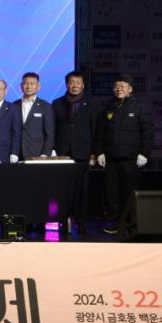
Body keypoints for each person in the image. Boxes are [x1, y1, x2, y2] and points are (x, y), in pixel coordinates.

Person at [94, 74, 155, 235]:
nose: (119, 89)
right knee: (111, 194)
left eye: (122, 86)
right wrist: (99, 152)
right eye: (116, 86)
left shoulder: (139, 107)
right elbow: (100, 133)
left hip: (131, 159)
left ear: (130, 89)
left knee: (129, 193)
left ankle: (131, 224)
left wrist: (144, 153)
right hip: (111, 159)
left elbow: (148, 132)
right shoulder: (108, 107)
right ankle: (114, 222)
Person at [52, 71, 97, 233]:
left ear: (83, 85)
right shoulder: (57, 103)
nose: (75, 85)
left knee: (82, 189)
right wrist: (52, 149)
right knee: (62, 188)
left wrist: (94, 152)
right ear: (66, 84)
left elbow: (95, 129)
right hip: (62, 153)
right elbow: (53, 129)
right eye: (72, 82)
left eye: (78, 82)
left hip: (83, 152)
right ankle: (63, 219)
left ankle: (81, 221)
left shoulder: (91, 104)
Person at [12, 72, 55, 159]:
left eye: (32, 84)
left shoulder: (46, 106)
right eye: (26, 83)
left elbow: (50, 133)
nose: (28, 86)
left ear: (38, 86)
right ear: (21, 86)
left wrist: (46, 153)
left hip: (37, 152)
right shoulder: (13, 105)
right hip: (16, 153)